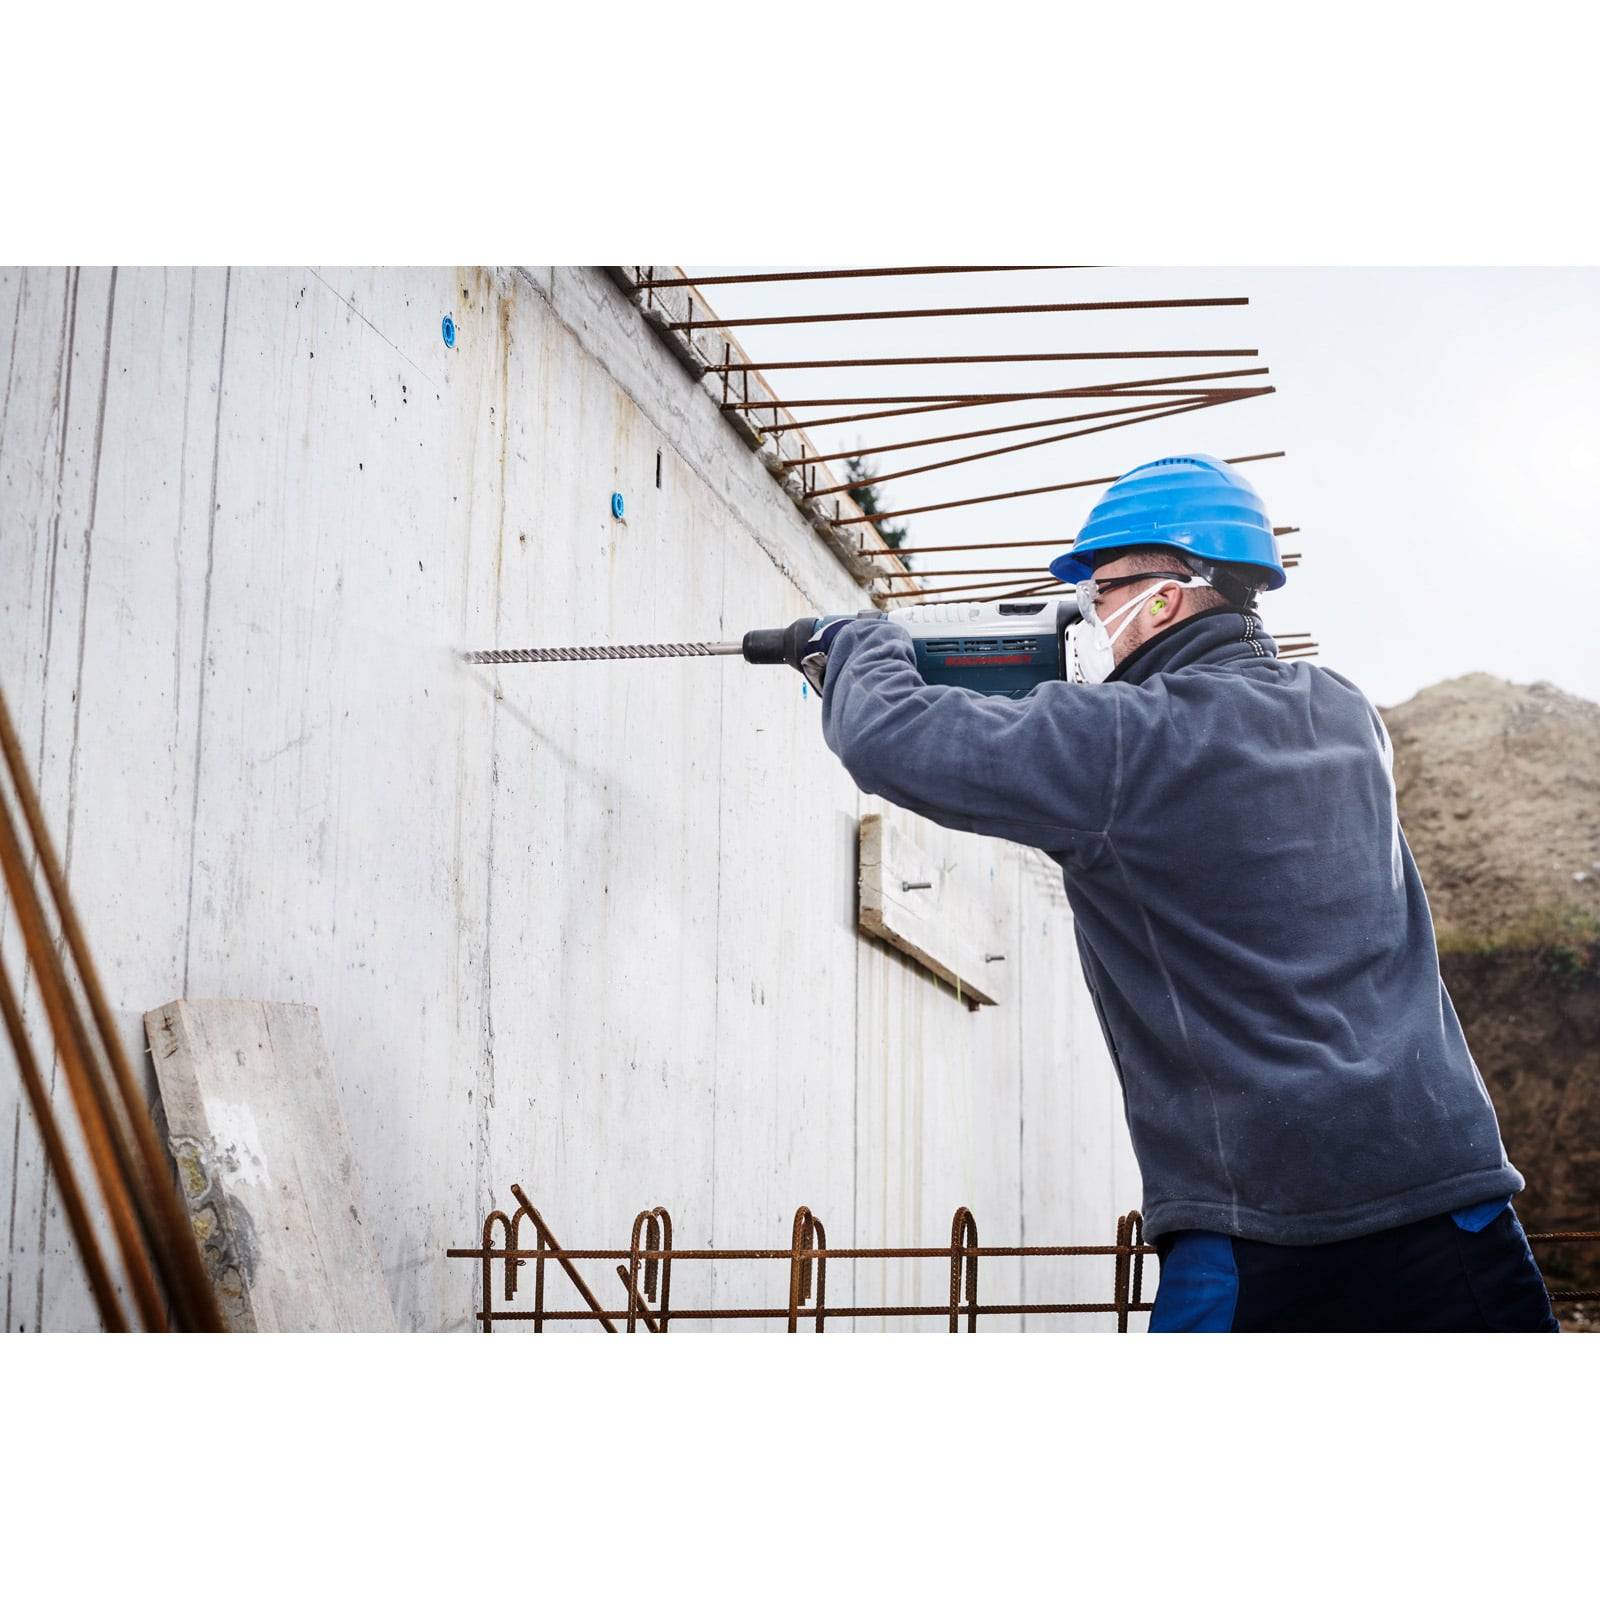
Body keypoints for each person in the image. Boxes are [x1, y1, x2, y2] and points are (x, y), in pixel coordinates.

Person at [804, 453, 1557, 1333]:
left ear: (1164, 596)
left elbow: (892, 737)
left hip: (1265, 1225)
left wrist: (859, 647)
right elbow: (1183, 764)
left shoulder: (1126, 744)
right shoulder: (1345, 715)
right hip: (1454, 1193)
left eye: (1101, 591)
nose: (1087, 615)